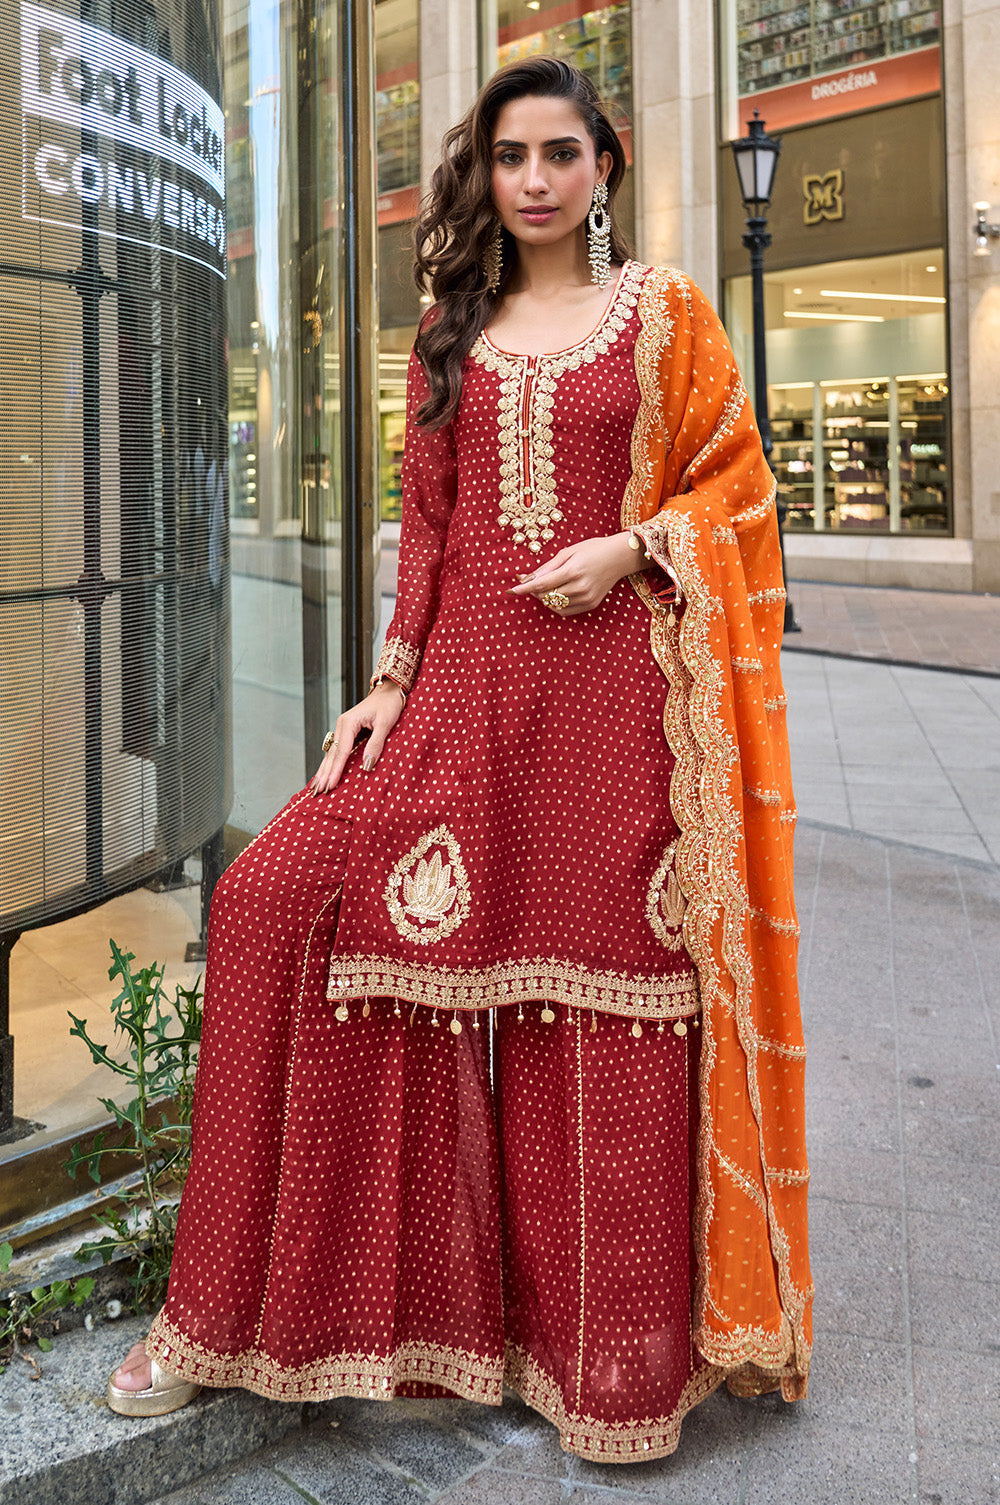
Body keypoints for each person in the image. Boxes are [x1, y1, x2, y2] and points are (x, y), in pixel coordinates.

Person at [107, 56, 812, 1462]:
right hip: (460, 711)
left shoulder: (666, 315)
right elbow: (426, 531)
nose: (536, 179)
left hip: (619, 716)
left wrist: (632, 544)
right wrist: (384, 685)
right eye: (510, 157)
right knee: (271, 906)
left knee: (599, 1013)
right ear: (484, 173)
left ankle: (601, 1370)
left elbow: (737, 491)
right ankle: (233, 1316)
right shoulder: (454, 324)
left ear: (605, 165)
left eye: (562, 153)